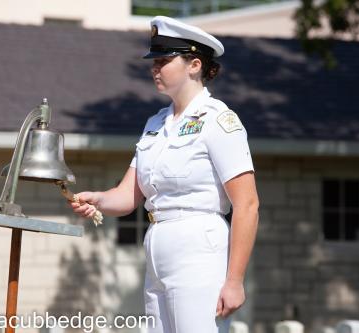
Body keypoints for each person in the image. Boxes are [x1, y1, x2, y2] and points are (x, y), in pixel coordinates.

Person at [70, 16, 259, 333]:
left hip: (198, 243)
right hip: (159, 242)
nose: (154, 68)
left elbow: (248, 204)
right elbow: (129, 195)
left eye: (163, 60)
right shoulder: (156, 123)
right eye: (153, 61)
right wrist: (98, 199)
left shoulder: (219, 120)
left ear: (194, 65)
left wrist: (235, 280)